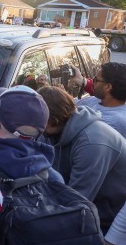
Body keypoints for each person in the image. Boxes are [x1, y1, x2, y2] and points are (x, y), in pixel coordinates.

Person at [38, 86, 126, 232]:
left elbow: (76, 201)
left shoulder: (93, 141)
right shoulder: (49, 130)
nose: (35, 124)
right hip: (81, 210)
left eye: (39, 118)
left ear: (53, 117)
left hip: (108, 224)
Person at [76, 62, 126, 136]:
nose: (93, 82)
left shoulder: (112, 122)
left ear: (107, 87)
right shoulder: (95, 100)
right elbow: (69, 104)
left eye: (96, 80)